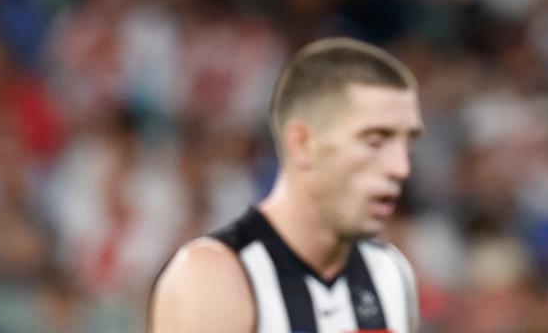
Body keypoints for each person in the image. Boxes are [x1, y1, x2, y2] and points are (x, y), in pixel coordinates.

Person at [149, 37, 423, 333]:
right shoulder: (213, 277)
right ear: (302, 143)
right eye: (375, 141)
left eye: (406, 143)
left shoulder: (390, 273)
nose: (400, 167)